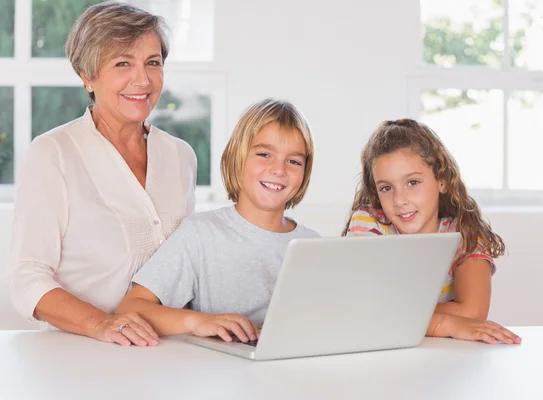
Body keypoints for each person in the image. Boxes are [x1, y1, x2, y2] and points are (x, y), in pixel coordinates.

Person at [8, 3, 197, 347]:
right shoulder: (54, 153)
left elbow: (186, 264)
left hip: (170, 355)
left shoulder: (180, 155)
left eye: (152, 63)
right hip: (82, 356)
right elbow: (27, 278)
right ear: (87, 76)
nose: (143, 79)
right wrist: (101, 325)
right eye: (123, 63)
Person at [116, 99, 319, 342]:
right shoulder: (200, 234)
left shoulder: (313, 245)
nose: (279, 169)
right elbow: (130, 308)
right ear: (237, 158)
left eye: (294, 161)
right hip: (218, 373)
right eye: (264, 154)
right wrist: (199, 321)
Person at [342, 119, 521, 345]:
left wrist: (390, 313)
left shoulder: (465, 232)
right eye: (386, 188)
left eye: (412, 182)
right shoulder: (370, 223)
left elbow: (473, 311)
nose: (399, 200)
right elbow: (362, 310)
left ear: (442, 181)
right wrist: (445, 324)